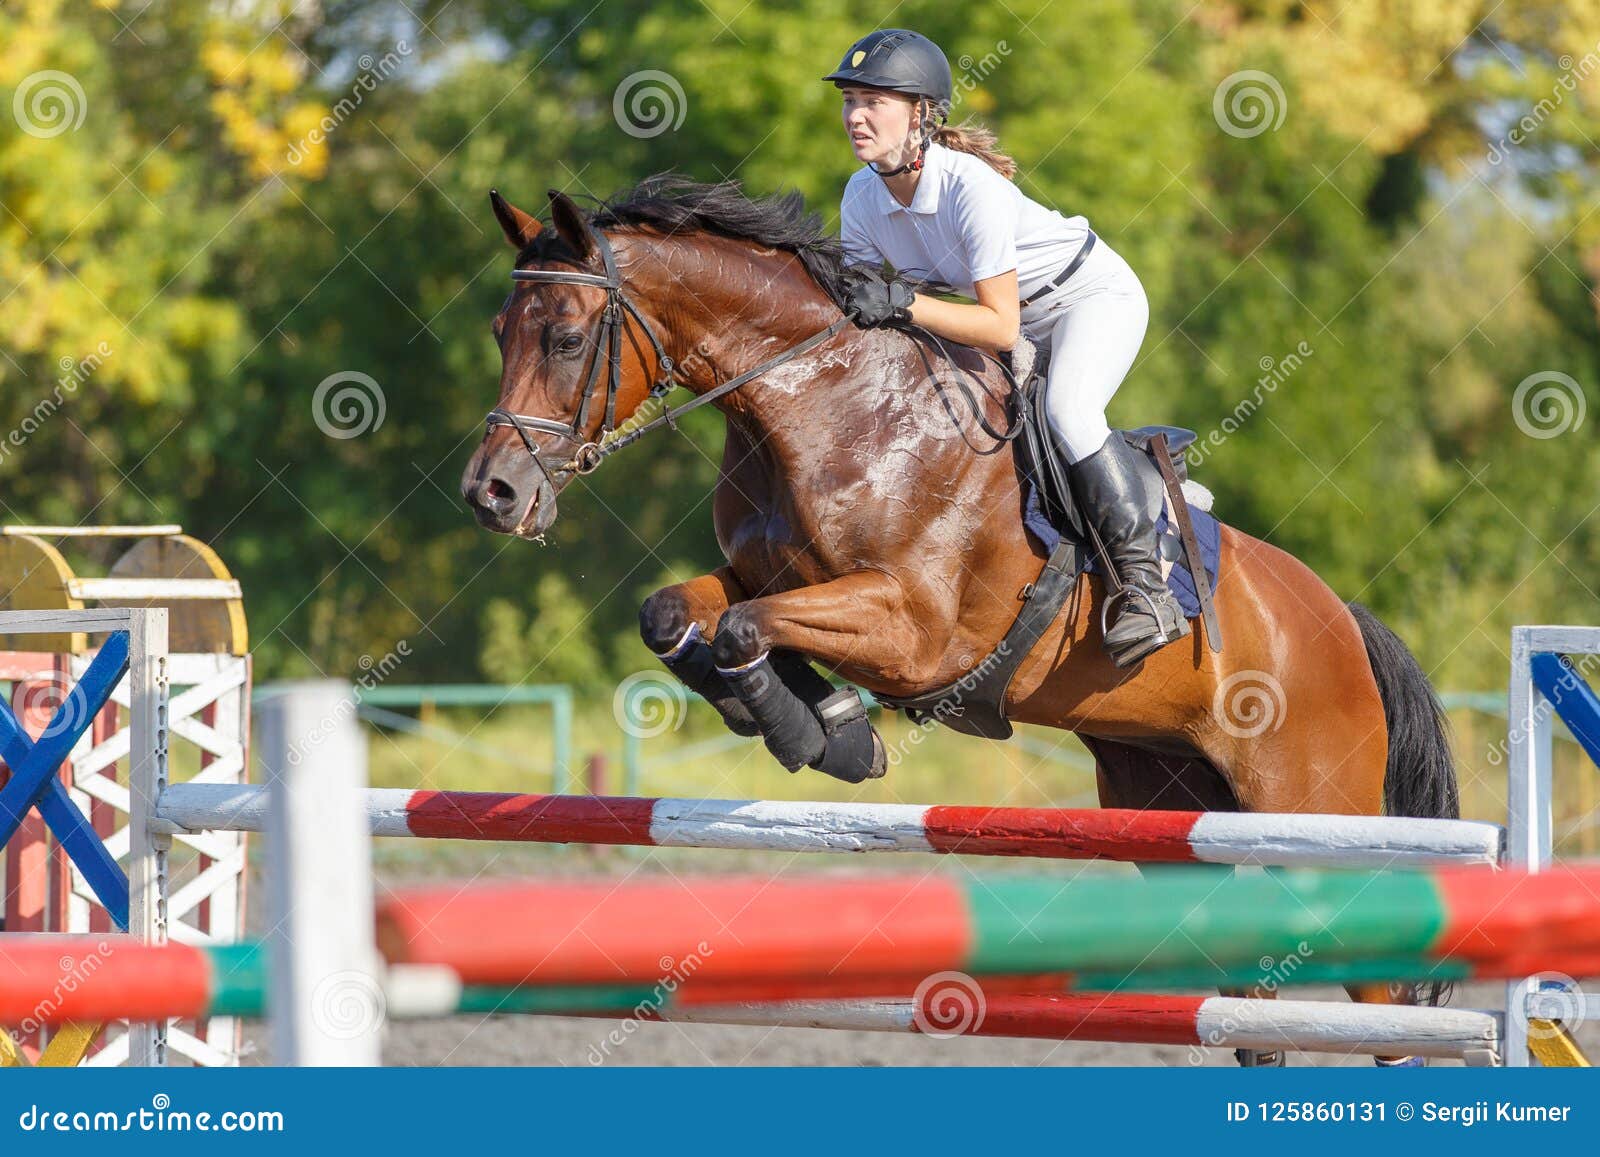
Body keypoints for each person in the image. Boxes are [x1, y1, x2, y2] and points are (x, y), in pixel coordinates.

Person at [825, 28, 1188, 668]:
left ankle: (1145, 589)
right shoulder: (861, 195)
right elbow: (861, 310)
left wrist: (904, 304)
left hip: (1086, 299)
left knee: (1069, 414)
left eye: (873, 101)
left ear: (920, 114)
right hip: (1005, 317)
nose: (856, 115)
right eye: (850, 99)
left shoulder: (970, 188)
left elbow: (999, 327)